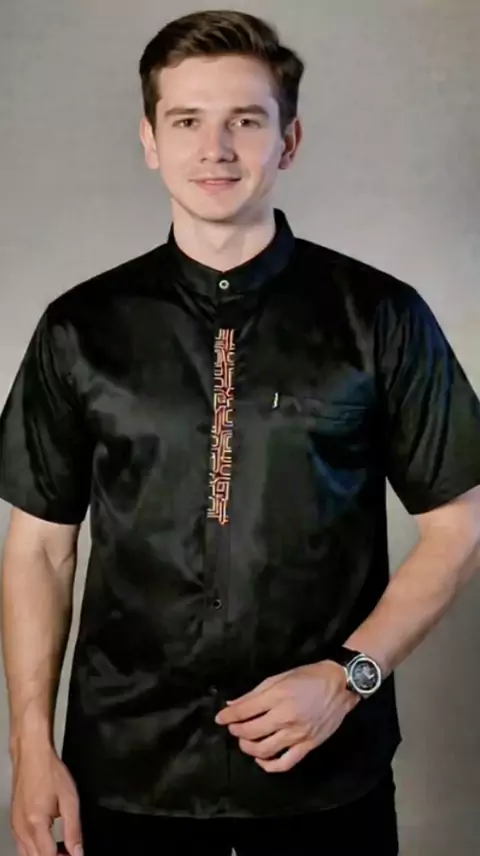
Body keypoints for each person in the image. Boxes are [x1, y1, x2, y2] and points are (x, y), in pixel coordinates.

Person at [1, 9, 480, 856]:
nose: (215, 149)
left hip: (325, 776)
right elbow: (39, 548)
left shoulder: (380, 317)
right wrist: (30, 745)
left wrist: (350, 676)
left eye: (246, 121)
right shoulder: (79, 328)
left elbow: (461, 525)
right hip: (128, 775)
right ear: (150, 140)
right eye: (187, 120)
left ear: (289, 141)